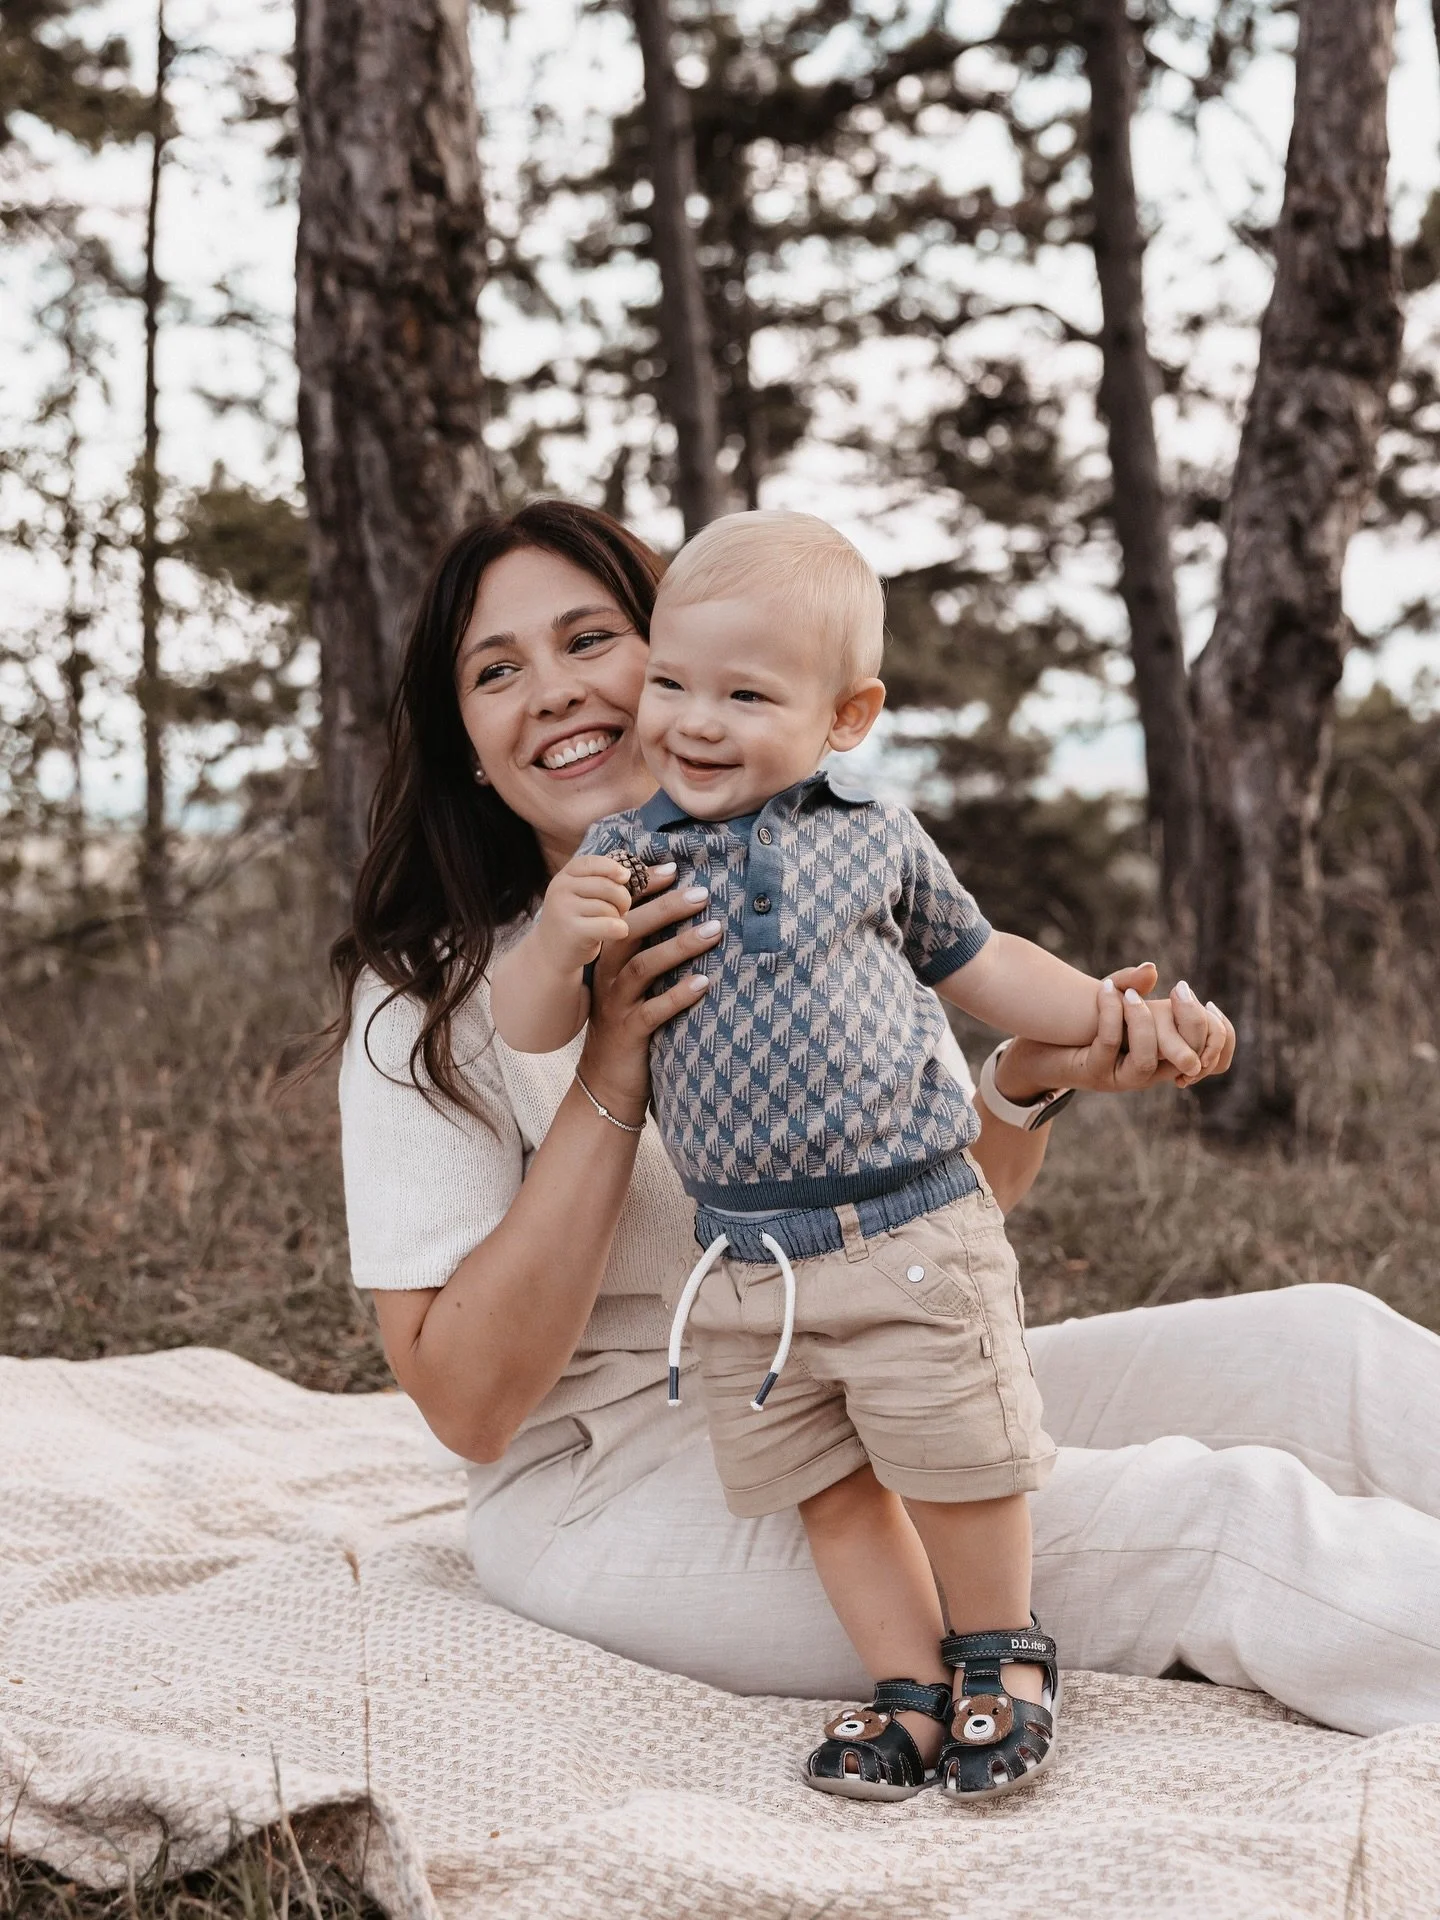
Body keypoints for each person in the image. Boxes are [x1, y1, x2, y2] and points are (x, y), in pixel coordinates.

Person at [333, 498, 1440, 1759]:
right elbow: (468, 1408)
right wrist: (614, 1053)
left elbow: (917, 1226)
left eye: (591, 640)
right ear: (469, 742)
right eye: (496, 670)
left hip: (873, 1348)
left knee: (1321, 1347)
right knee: (1214, 1520)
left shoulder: (817, 869)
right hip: (623, 1478)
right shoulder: (433, 997)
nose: (554, 693)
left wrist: (1026, 1077)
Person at [487, 510, 1213, 1801]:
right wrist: (555, 941)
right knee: (826, 1490)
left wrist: (1117, 1022)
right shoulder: (625, 855)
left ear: (846, 715)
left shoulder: (872, 837)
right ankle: (907, 1692)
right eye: (671, 684)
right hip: (747, 1270)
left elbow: (987, 966)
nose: (694, 721)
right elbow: (534, 1026)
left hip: (904, 1229)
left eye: (744, 694)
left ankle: (1003, 1657)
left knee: (959, 1458)